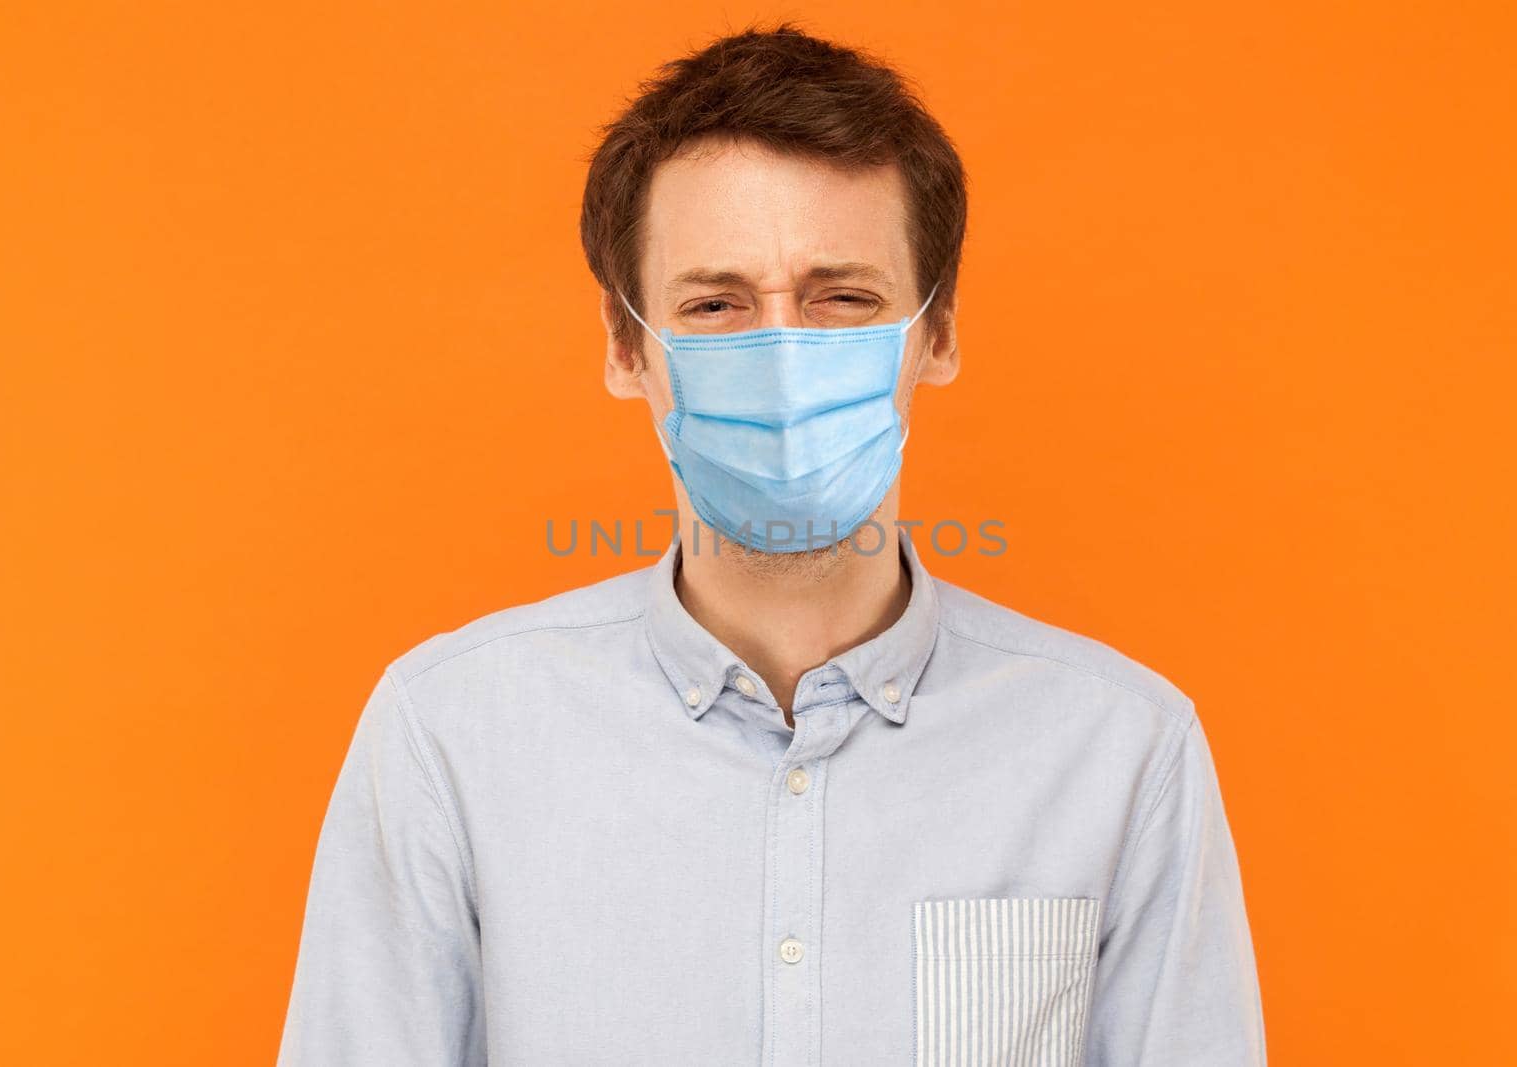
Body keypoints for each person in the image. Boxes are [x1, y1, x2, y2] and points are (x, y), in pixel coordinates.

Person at [277, 23, 1266, 1066]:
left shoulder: (1121, 750)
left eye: (842, 298)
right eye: (717, 304)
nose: (785, 355)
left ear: (936, 332)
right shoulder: (449, 733)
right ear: (626, 346)